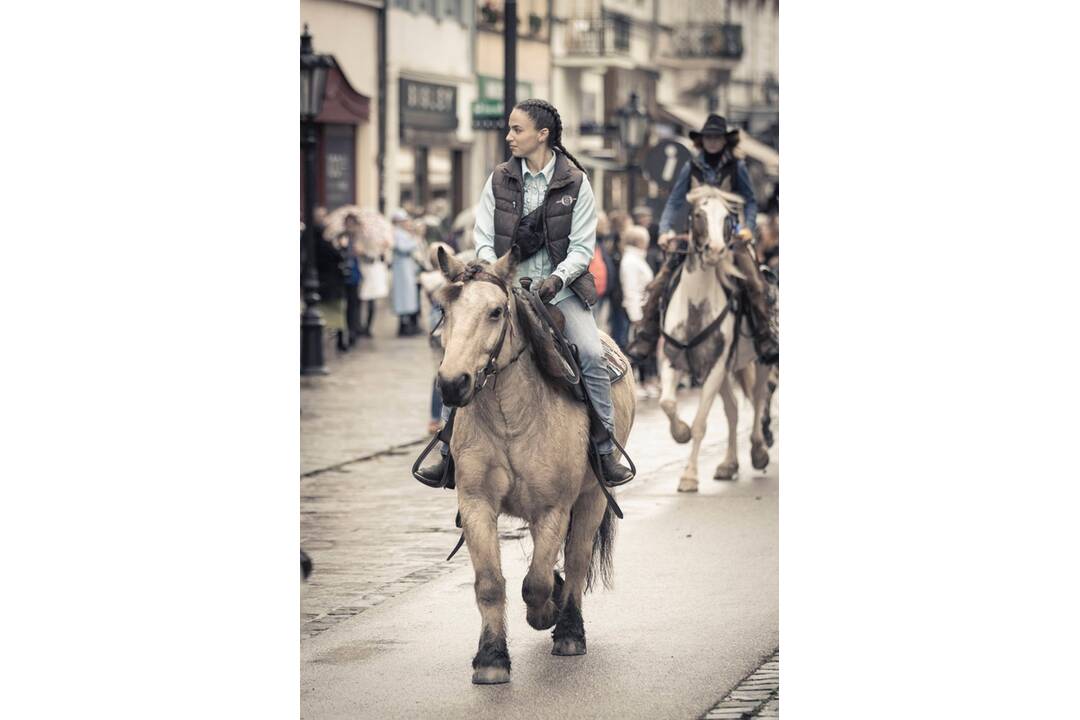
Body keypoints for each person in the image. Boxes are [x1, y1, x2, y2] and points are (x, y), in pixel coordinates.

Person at [417, 97, 633, 487]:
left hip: (560, 291)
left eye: (517, 129)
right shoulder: (499, 178)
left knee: (588, 352)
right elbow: (483, 237)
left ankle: (604, 448)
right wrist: (493, 273)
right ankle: (447, 449)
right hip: (504, 288)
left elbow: (583, 248)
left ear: (542, 134)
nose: (509, 136)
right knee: (460, 351)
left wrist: (557, 279)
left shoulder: (576, 182)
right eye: (510, 129)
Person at [626, 114, 778, 364]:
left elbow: (750, 201)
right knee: (661, 280)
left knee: (754, 280)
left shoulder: (737, 167)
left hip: (731, 238)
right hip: (696, 236)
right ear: (702, 140)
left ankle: (764, 336)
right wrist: (665, 230)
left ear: (724, 140)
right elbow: (675, 201)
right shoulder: (691, 166)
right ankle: (647, 335)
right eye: (708, 137)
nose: (713, 142)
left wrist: (748, 228)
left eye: (717, 137)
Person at [357, 211, 391, 337]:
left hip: (375, 270)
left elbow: (383, 254)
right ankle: (360, 326)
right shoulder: (360, 236)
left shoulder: (379, 237)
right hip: (364, 270)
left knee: (372, 299)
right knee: (363, 297)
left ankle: (367, 326)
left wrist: (382, 249)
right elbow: (359, 252)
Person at [390, 209, 422, 337]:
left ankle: (407, 325)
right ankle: (404, 326)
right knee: (403, 297)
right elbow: (403, 248)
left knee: (407, 296)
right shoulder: (397, 234)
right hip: (402, 269)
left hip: (406, 268)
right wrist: (415, 241)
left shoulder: (402, 233)